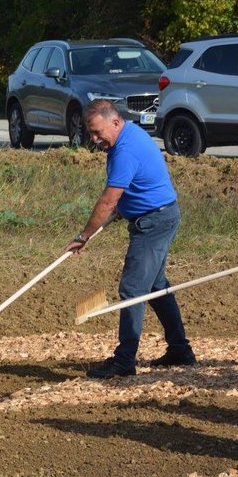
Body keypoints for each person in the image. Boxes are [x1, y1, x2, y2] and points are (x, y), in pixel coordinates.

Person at [65, 99, 195, 378]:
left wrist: (84, 236)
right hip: (156, 215)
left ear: (115, 122)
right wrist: (126, 209)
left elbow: (108, 200)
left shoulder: (125, 150)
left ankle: (124, 361)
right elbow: (132, 188)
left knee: (133, 289)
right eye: (91, 133)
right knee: (156, 286)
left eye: (98, 132)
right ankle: (180, 349)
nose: (94, 139)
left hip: (154, 222)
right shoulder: (129, 134)